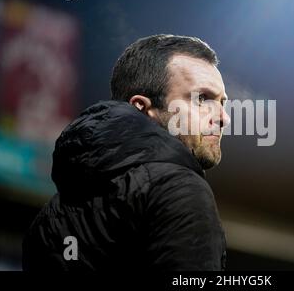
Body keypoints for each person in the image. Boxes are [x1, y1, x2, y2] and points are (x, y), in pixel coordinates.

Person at [23, 34, 230, 271]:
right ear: (142, 108)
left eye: (223, 103)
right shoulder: (177, 188)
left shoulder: (48, 218)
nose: (224, 118)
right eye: (202, 98)